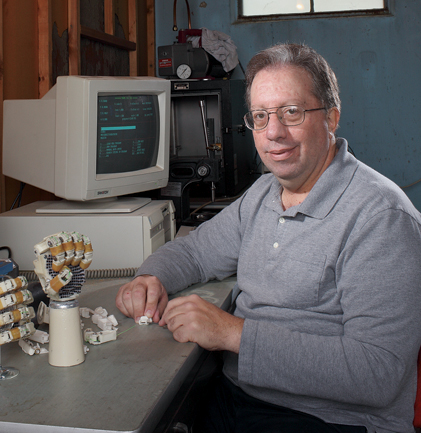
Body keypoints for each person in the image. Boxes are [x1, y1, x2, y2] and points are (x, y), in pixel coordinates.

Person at [115, 43, 421, 433]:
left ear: (331, 117)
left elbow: (376, 372)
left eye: (292, 112)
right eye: (261, 116)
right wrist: (150, 277)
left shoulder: (381, 218)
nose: (274, 132)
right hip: (239, 397)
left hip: (331, 419)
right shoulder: (264, 192)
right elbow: (195, 253)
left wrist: (232, 333)